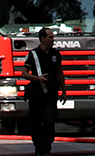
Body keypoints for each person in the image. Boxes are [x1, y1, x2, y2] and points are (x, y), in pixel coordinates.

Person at [21, 27, 66, 156]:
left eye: (53, 37)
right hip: (36, 93)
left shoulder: (55, 54)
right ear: (42, 39)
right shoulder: (33, 54)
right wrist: (37, 78)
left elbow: (60, 73)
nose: (53, 39)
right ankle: (38, 148)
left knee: (49, 121)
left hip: (51, 94)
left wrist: (64, 91)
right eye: (50, 37)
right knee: (35, 122)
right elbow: (24, 73)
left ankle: (47, 148)